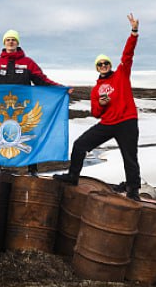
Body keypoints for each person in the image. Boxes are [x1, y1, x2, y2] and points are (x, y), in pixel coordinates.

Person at [54, 14, 141, 200]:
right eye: (100, 64)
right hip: (108, 123)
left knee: (130, 157)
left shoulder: (122, 74)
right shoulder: (95, 90)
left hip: (127, 122)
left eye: (106, 63)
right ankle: (72, 176)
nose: (103, 65)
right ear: (97, 68)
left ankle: (133, 191)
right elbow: (95, 113)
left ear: (110, 65)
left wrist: (134, 32)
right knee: (80, 145)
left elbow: (128, 54)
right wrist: (101, 105)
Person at [0, 29, 70, 179]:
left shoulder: (28, 63)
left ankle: (32, 169)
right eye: (8, 39)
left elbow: (42, 80)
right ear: (4, 43)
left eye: (13, 40)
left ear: (17, 43)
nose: (11, 42)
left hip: (23, 108)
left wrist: (61, 89)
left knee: (29, 136)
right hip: (0, 107)